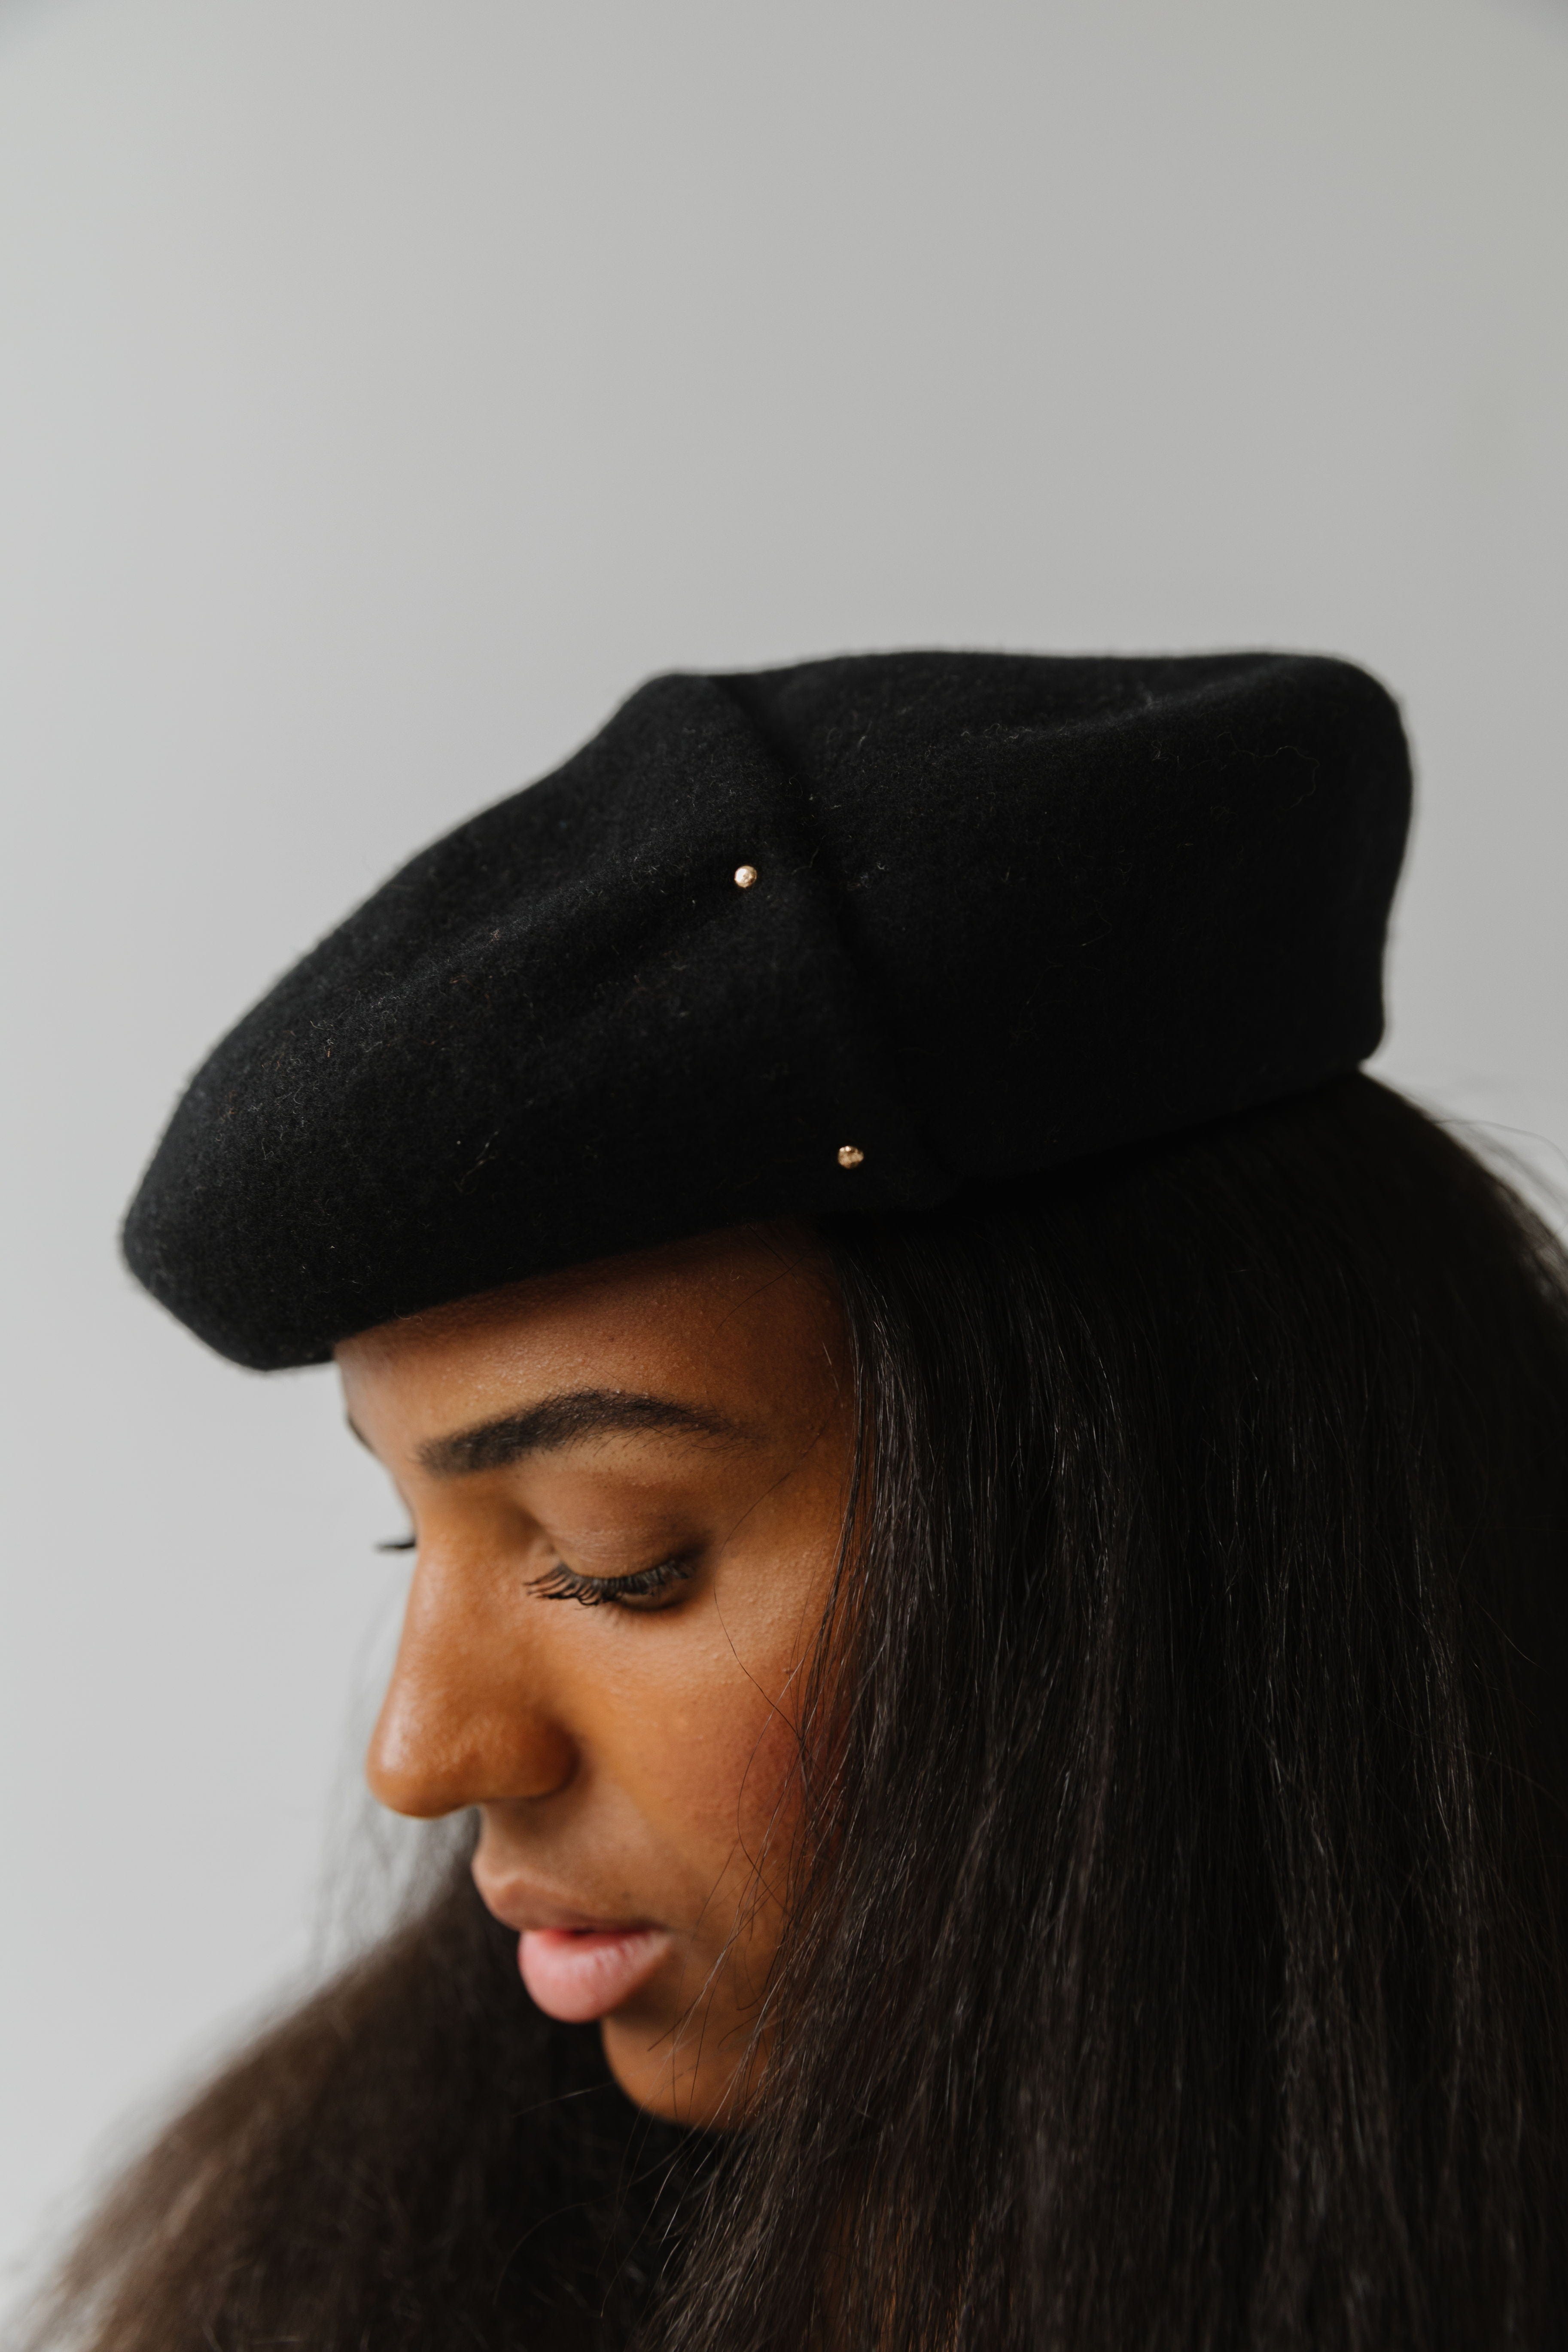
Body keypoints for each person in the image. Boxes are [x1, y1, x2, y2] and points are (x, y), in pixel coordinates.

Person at [25, 653, 1568, 2351]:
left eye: (621, 1558)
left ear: (1198, 1544)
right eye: (412, 1530)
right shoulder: (326, 2272)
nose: (423, 1752)